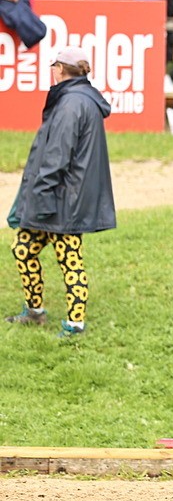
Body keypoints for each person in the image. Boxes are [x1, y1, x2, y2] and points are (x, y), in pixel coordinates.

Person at [5, 46, 115, 338]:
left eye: (53, 66)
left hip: (61, 201)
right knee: (23, 249)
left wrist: (37, 197)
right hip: (59, 198)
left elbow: (56, 157)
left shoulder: (71, 104)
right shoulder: (78, 98)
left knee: (70, 260)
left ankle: (75, 325)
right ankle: (34, 311)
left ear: (62, 70)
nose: (50, 71)